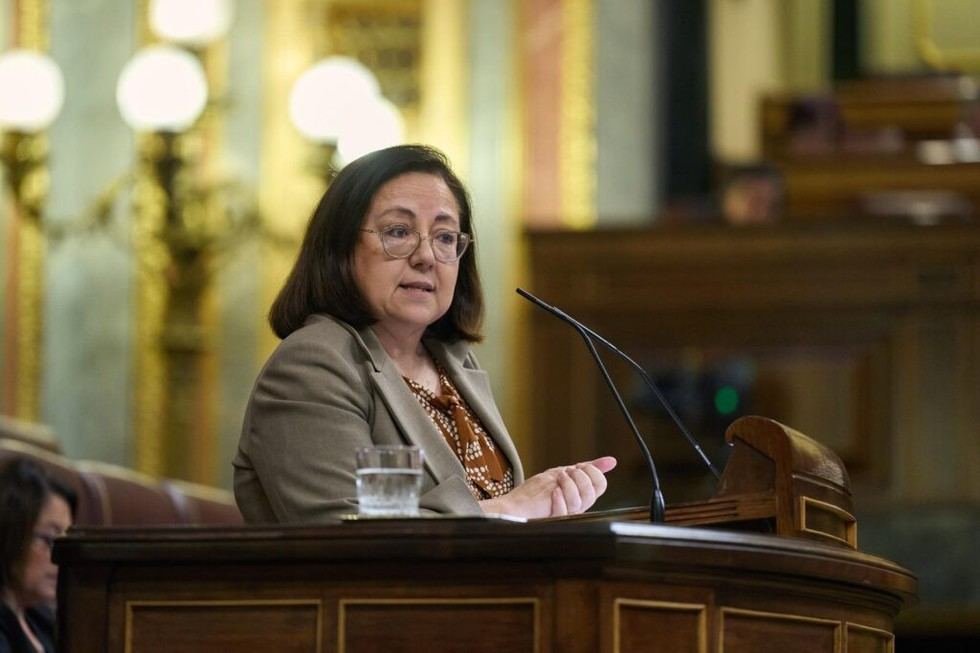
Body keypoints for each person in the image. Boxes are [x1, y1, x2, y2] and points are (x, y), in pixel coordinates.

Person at [233, 144, 616, 522]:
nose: (426, 256)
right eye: (398, 231)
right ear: (340, 247)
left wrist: (551, 503)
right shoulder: (313, 364)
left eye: (445, 237)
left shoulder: (454, 362)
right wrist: (510, 509)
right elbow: (343, 533)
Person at [0, 458, 76, 653]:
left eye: (65, 541)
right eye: (49, 539)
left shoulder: (42, 620)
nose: (62, 556)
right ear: (9, 533)